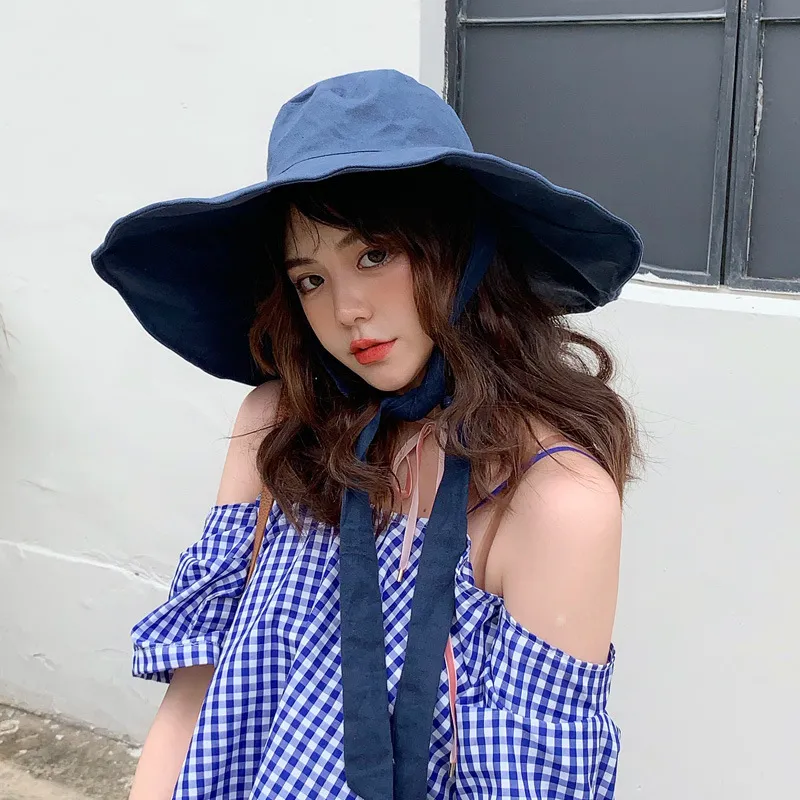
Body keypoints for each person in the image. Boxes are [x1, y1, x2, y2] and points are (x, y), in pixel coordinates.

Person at [92, 69, 642, 800]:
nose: (347, 308)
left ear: (460, 248)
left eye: (374, 254)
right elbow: (196, 701)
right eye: (310, 278)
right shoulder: (278, 428)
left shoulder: (552, 501)